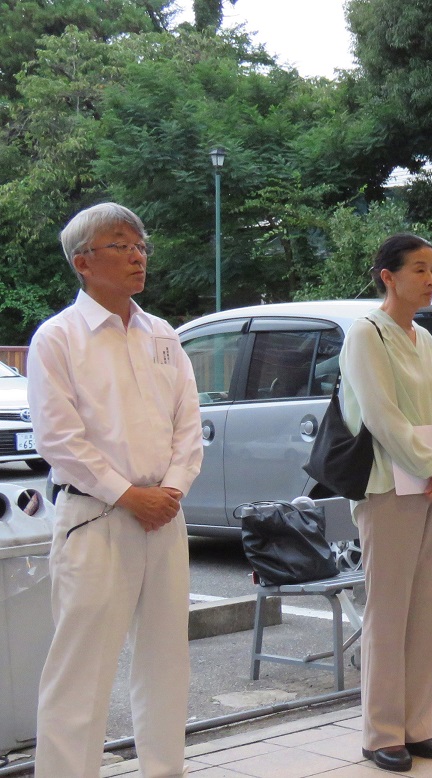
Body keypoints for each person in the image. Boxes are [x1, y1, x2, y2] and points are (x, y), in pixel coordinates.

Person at [28, 202, 203, 777]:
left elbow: (188, 427)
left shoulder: (162, 335)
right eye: (121, 245)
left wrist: (170, 490)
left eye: (140, 245)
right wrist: (129, 495)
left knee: (165, 662)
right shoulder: (58, 338)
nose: (137, 256)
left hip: (165, 514)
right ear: (83, 261)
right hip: (97, 517)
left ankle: (163, 771)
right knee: (82, 671)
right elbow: (59, 440)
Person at [340, 233, 432, 771]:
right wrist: (431, 464)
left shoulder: (426, 338)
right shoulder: (366, 335)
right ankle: (381, 732)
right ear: (387, 276)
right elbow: (380, 415)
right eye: (419, 269)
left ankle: (418, 726)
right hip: (388, 486)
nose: (431, 279)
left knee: (425, 608)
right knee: (388, 611)